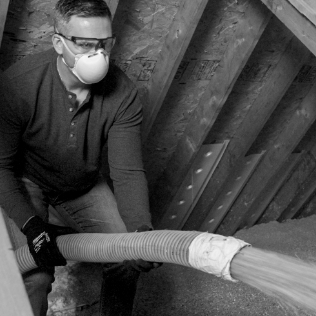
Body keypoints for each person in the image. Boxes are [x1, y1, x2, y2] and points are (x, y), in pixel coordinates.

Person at [0, 1, 161, 315]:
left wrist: (142, 231)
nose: (97, 55)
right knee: (33, 274)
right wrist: (31, 225)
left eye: (104, 44)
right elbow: (0, 166)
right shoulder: (19, 86)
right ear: (59, 42)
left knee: (126, 256)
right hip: (26, 181)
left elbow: (127, 171)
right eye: (85, 45)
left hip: (82, 185)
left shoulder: (122, 93)